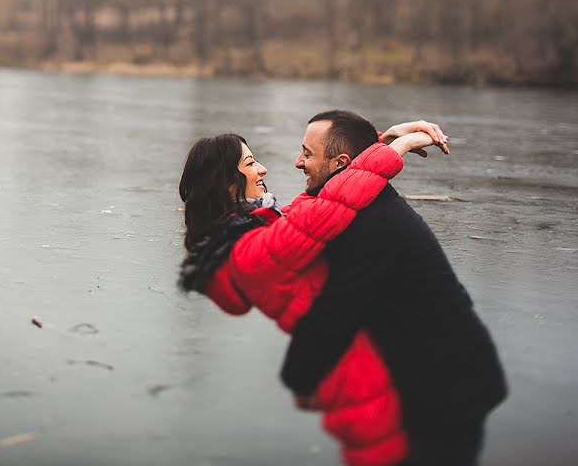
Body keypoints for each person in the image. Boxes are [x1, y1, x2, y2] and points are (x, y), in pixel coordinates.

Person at [178, 120, 450, 466]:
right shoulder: (252, 251)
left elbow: (317, 197)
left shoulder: (255, 227)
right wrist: (397, 148)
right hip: (358, 383)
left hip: (370, 367)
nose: (262, 169)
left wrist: (381, 139)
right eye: (249, 164)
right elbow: (334, 204)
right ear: (228, 184)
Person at [280, 110, 508, 466]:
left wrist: (299, 375)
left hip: (448, 392)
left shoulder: (370, 224)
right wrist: (385, 142)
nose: (298, 162)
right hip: (425, 381)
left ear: (340, 163)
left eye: (308, 154)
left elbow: (336, 311)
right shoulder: (358, 203)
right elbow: (327, 196)